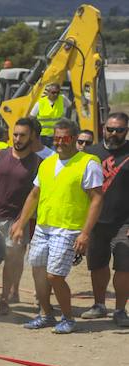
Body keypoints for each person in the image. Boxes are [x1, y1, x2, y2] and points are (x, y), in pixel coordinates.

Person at [11, 119, 104, 334]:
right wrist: (20, 223)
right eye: (57, 138)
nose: (60, 142)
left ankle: (68, 318)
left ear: (74, 139)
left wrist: (85, 234)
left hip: (69, 229)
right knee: (38, 272)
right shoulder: (47, 163)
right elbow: (34, 195)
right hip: (44, 227)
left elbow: (97, 199)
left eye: (65, 138)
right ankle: (45, 314)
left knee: (54, 275)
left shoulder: (88, 163)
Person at [0, 117, 43, 314]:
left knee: (13, 260)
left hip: (17, 221)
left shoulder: (37, 163)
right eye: (15, 134)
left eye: (22, 135)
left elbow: (35, 195)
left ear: (32, 136)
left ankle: (5, 297)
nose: (17, 138)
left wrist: (22, 222)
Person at [79, 112, 129, 327]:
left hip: (124, 222)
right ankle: (99, 305)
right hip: (96, 221)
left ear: (126, 131)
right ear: (103, 128)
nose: (114, 133)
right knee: (97, 265)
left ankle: (120, 310)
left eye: (119, 130)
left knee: (124, 265)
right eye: (110, 129)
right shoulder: (90, 153)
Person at [30, 82, 72, 147]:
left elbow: (70, 105)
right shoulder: (40, 103)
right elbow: (31, 118)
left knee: (55, 155)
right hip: (42, 136)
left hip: (57, 135)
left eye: (57, 93)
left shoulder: (62, 99)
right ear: (48, 92)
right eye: (53, 92)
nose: (55, 94)